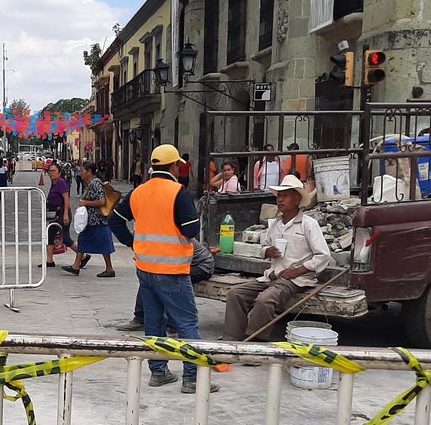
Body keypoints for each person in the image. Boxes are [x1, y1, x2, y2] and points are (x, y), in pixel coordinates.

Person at [110, 144, 217, 394]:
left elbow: (114, 219)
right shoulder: (177, 192)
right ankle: (192, 378)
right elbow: (190, 230)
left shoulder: (138, 192)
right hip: (172, 270)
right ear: (175, 166)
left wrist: (131, 242)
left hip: (145, 268)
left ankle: (159, 372)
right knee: (187, 323)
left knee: (154, 323)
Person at [222, 175, 331, 341]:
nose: (280, 200)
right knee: (235, 293)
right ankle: (232, 340)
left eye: (285, 195)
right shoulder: (275, 224)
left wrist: (297, 271)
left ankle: (255, 343)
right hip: (272, 275)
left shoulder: (308, 224)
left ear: (296, 199)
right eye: (279, 196)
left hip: (295, 280)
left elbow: (323, 256)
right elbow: (263, 247)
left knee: (264, 300)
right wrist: (268, 251)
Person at [119, 238, 214, 331]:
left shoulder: (168, 241)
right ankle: (141, 319)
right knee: (149, 280)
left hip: (201, 266)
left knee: (168, 281)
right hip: (184, 264)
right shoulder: (150, 242)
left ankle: (173, 323)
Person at [62, 162, 113, 277]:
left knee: (103, 244)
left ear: (89, 172)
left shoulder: (95, 184)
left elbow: (101, 201)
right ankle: (76, 266)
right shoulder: (90, 184)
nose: (81, 173)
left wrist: (85, 202)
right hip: (91, 220)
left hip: (98, 220)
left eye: (83, 170)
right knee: (83, 240)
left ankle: (109, 268)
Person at [45, 164, 86, 268]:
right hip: (54, 215)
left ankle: (83, 255)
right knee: (50, 234)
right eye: (50, 171)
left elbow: (66, 198)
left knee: (66, 238)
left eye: (54, 171)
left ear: (59, 172)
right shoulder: (54, 183)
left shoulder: (61, 183)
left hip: (62, 214)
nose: (51, 173)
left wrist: (66, 214)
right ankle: (49, 260)